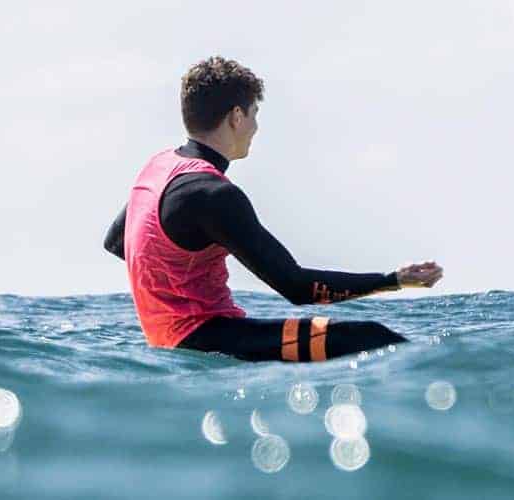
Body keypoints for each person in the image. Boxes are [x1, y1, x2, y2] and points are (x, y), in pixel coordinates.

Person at [102, 56, 442, 362]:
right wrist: (393, 280)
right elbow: (296, 287)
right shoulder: (212, 194)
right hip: (206, 339)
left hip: (167, 341)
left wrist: (179, 278)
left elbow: (118, 242)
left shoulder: (158, 168)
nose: (255, 128)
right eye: (254, 115)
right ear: (236, 116)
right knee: (373, 338)